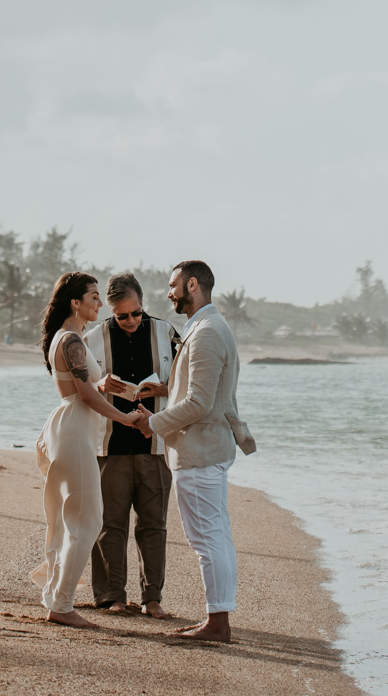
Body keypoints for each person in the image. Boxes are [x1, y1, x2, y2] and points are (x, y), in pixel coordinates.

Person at [134, 259, 256, 644]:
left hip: (200, 450)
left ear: (191, 285)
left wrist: (151, 424)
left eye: (172, 286)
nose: (168, 293)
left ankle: (217, 623)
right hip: (207, 448)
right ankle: (218, 618)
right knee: (216, 536)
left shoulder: (205, 332)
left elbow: (201, 404)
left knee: (207, 540)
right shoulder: (208, 327)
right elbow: (205, 392)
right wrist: (165, 390)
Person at [36, 272, 146, 629]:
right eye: (95, 296)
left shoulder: (69, 338)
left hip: (74, 428)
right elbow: (85, 395)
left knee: (76, 519)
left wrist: (103, 385)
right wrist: (127, 419)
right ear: (76, 303)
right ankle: (62, 604)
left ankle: (57, 597)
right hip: (73, 430)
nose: (101, 303)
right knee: (88, 521)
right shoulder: (71, 340)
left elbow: (85, 386)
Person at [84, 272, 181, 618]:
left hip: (155, 445)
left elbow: (189, 384)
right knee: (110, 524)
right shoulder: (92, 338)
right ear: (110, 310)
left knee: (153, 525)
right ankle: (112, 596)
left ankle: (152, 598)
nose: (130, 321)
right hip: (108, 446)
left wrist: (164, 390)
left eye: (136, 313)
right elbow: (77, 390)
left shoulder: (167, 333)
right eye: (121, 315)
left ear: (143, 305)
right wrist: (100, 386)